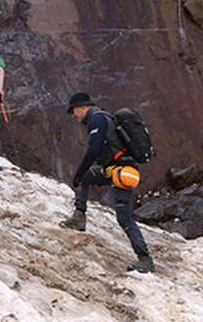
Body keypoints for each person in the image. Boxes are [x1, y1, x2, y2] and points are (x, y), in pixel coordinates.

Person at [60, 92, 155, 273]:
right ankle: (79, 217)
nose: (73, 116)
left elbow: (94, 149)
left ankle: (145, 260)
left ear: (82, 107)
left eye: (73, 112)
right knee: (87, 177)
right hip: (113, 169)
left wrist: (78, 173)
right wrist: (82, 175)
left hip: (122, 172)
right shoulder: (102, 118)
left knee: (124, 217)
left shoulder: (97, 120)